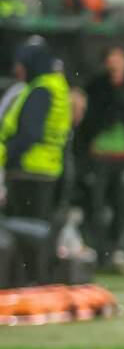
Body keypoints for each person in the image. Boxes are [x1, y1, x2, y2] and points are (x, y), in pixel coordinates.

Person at [78, 46, 124, 270]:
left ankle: (117, 252)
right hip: (100, 155)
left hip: (122, 155)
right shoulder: (97, 86)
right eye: (113, 59)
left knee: (120, 208)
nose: (117, 63)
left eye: (120, 59)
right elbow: (92, 120)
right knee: (97, 205)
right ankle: (97, 252)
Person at [1, 38, 71, 222]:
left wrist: (9, 154)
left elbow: (30, 133)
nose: (17, 71)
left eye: (20, 65)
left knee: (23, 231)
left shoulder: (41, 90)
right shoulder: (54, 86)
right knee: (35, 232)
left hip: (29, 172)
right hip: (45, 170)